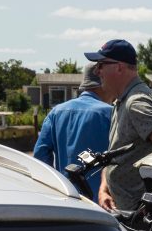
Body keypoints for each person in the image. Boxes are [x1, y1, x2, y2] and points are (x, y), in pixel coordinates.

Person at [83, 39, 152, 211]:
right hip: (125, 210)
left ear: (119, 67)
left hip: (139, 216)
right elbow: (114, 155)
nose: (97, 71)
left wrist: (150, 196)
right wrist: (104, 188)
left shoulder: (135, 102)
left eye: (101, 64)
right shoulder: (121, 101)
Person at [33, 63, 112, 202]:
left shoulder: (56, 112)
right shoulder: (110, 113)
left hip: (68, 197)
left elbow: (40, 155)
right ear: (102, 84)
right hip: (103, 200)